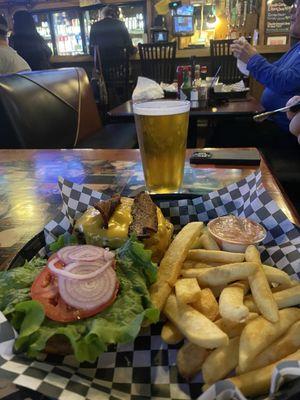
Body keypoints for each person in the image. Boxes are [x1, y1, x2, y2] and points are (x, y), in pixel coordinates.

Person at [231, 0, 300, 136]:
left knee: (224, 132)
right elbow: (277, 70)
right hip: (272, 123)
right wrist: (250, 59)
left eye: (297, 5)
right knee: (225, 128)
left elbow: (285, 82)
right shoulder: (298, 47)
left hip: (284, 134)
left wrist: (253, 59)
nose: (291, 11)